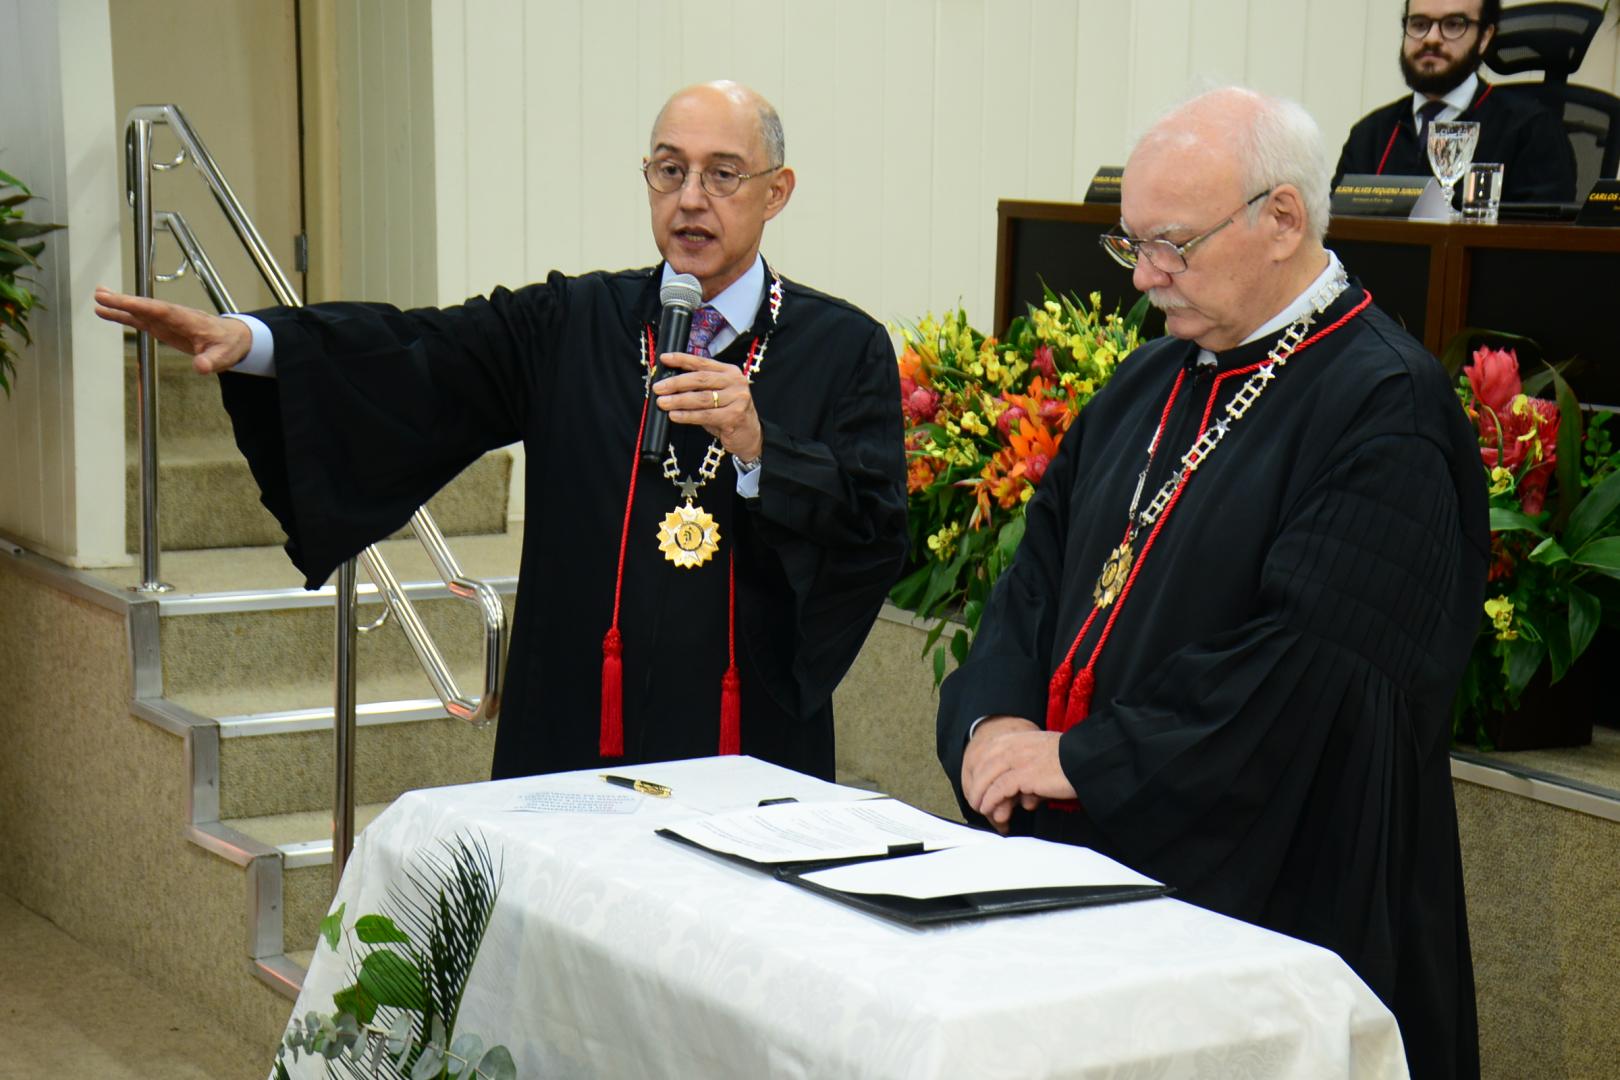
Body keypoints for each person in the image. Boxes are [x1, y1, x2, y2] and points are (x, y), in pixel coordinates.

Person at [96, 80, 907, 783]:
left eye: (722, 174)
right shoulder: (573, 322)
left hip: (745, 737)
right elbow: (425, 350)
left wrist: (764, 452)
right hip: (578, 727)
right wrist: (263, 343)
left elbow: (872, 532)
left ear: (777, 190)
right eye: (668, 170)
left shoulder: (843, 348)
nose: (690, 197)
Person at [939, 87, 1486, 1079]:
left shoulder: (1383, 405)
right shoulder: (1147, 384)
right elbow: (1034, 586)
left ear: (1281, 220)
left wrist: (1086, 763)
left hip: (1263, 911)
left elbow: (1308, 677)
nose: (1147, 278)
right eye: (1132, 246)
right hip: (1072, 876)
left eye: (1173, 246)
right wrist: (993, 727)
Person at [1333, 0, 1576, 203]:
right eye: (1419, 25)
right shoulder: (1370, 135)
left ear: (1484, 37)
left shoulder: (1531, 130)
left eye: (1452, 25)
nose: (1431, 38)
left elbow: (1541, 246)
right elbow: (1336, 235)